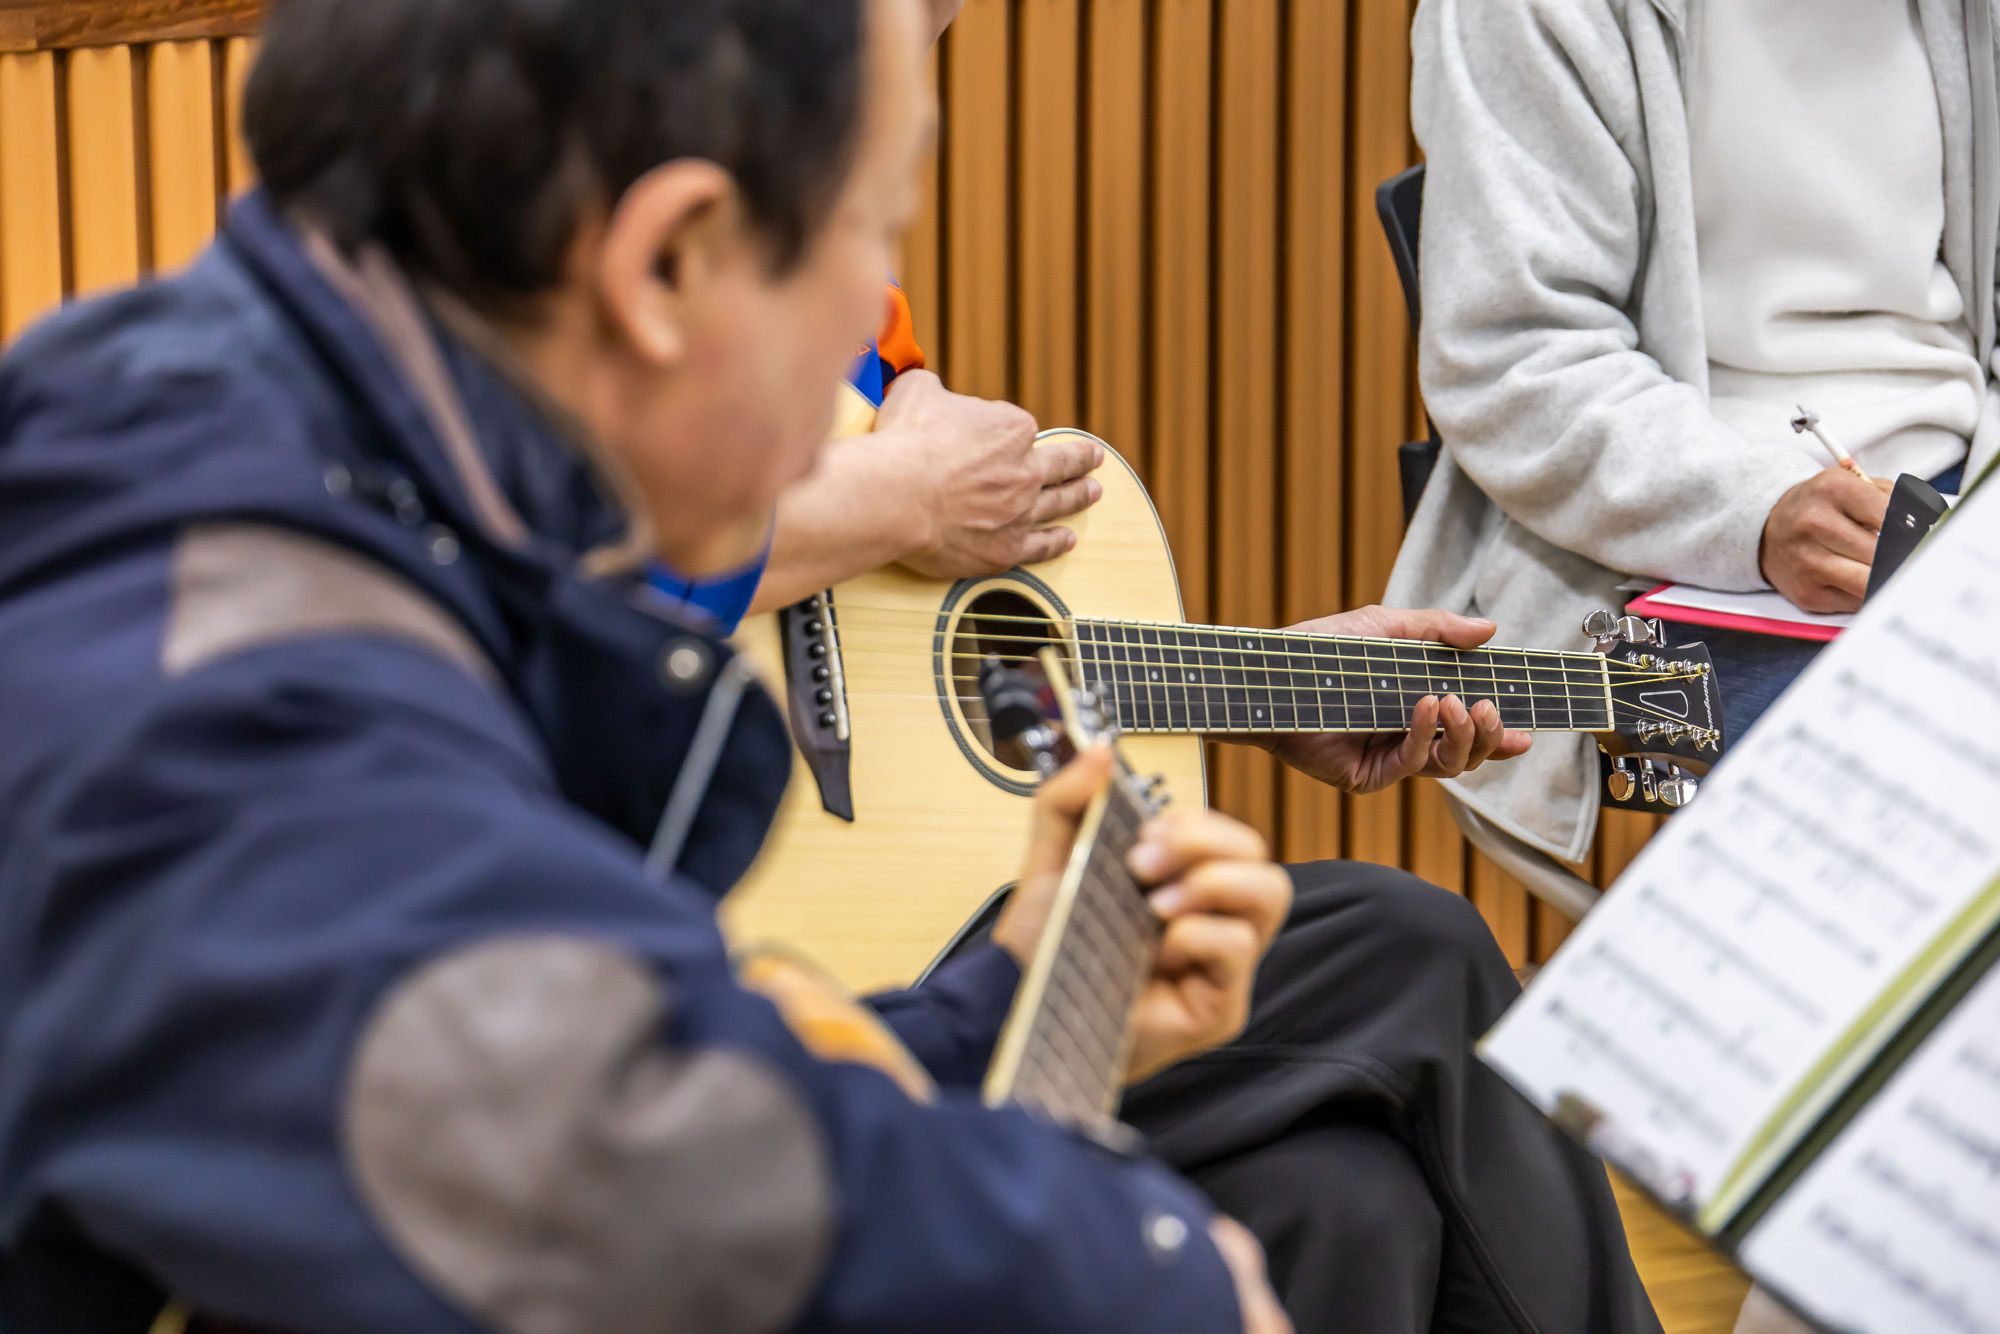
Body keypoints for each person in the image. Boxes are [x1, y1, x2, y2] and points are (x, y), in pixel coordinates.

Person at [0, 3, 1662, 1334]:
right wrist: (1130, 1265)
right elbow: (597, 1152)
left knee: (1332, 1212)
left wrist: (991, 1004)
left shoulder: (275, 423)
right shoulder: (234, 645)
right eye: (874, 235)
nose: (890, 355)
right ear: (668, 265)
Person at [1393, 0, 2000, 871]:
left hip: (1964, 492)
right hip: (1674, 543)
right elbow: (1514, 358)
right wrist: (1758, 515)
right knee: (1920, 813)